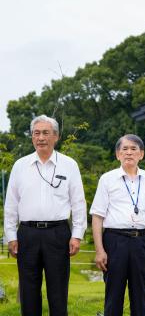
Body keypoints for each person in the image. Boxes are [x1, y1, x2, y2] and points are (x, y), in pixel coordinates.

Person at [3, 115, 87, 316]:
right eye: (37, 133)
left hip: (58, 233)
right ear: (32, 137)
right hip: (27, 234)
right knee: (28, 290)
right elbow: (11, 205)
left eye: (46, 133)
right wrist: (11, 236)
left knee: (58, 291)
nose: (41, 137)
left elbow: (78, 202)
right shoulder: (20, 166)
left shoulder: (69, 165)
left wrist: (77, 234)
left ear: (56, 136)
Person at [90, 134, 145, 316]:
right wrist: (99, 250)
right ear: (118, 154)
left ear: (141, 154)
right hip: (114, 241)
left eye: (133, 149)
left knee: (141, 295)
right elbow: (97, 217)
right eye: (124, 149)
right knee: (113, 295)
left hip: (142, 242)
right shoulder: (107, 179)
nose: (129, 153)